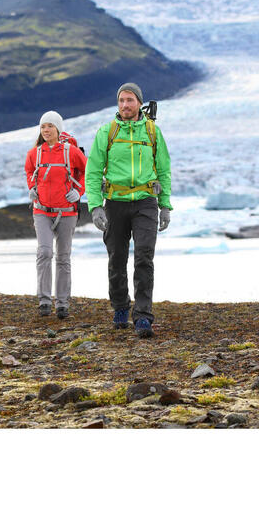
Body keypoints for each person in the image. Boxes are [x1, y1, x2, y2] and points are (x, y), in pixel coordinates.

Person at [84, 83, 172, 338]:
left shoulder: (152, 132)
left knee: (144, 257)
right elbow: (92, 172)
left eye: (130, 100)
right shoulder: (107, 132)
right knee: (117, 258)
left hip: (145, 201)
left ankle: (143, 316)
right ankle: (121, 306)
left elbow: (164, 170)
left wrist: (165, 205)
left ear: (139, 103)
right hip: (115, 202)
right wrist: (95, 206)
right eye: (121, 100)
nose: (125, 105)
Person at [24, 111, 87, 319]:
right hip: (41, 210)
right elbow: (29, 172)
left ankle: (62, 303)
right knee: (44, 252)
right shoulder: (35, 153)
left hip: (67, 211)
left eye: (50, 126)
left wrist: (79, 191)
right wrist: (32, 187)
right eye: (43, 127)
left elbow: (89, 170)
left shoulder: (71, 152)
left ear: (58, 129)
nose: (46, 130)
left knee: (63, 256)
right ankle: (43, 300)